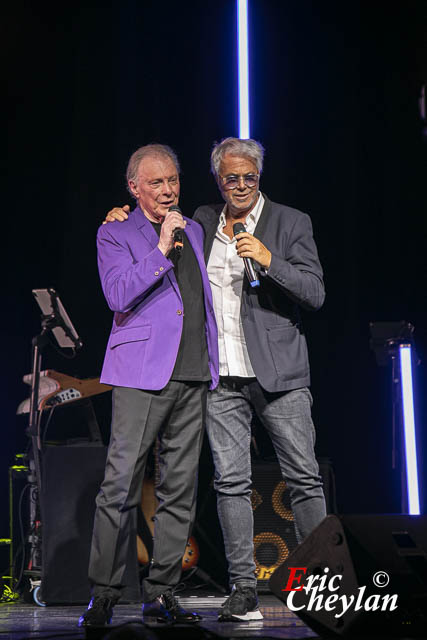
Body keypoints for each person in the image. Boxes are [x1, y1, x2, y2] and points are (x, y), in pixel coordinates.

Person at [104, 137, 327, 623]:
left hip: (279, 374)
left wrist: (269, 260)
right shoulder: (202, 221)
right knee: (230, 483)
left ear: (260, 176)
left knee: (305, 480)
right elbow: (149, 225)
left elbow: (315, 293)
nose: (241, 185)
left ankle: (324, 583)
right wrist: (121, 214)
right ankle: (243, 588)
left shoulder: (292, 222)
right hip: (221, 376)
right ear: (218, 181)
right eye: (232, 178)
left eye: (249, 177)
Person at [79, 143, 218, 627]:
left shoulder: (195, 229)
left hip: (193, 372)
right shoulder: (115, 231)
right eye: (156, 183)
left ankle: (162, 593)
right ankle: (104, 591)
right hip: (141, 374)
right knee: (119, 485)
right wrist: (160, 248)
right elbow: (117, 293)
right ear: (134, 188)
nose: (168, 190)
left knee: (180, 487)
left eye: (173, 180)